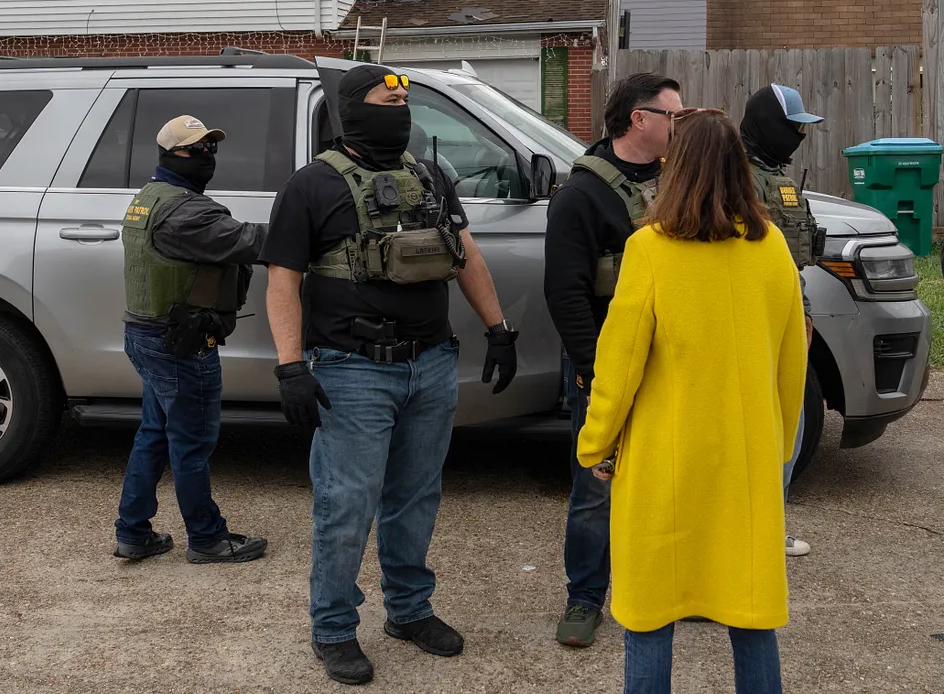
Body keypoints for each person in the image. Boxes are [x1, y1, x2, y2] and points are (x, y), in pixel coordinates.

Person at [262, 65, 518, 686]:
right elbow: (282, 280)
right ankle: (333, 628)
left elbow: (465, 254)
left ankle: (408, 610)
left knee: (416, 496)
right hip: (353, 371)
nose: (400, 110)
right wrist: (291, 365)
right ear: (353, 109)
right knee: (347, 503)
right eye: (387, 99)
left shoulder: (429, 178)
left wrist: (499, 328)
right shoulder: (311, 185)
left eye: (405, 101)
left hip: (430, 363)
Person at [578, 108, 806, 694]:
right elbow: (792, 363)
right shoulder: (772, 248)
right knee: (751, 615)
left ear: (673, 168)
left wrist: (596, 444)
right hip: (746, 462)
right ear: (739, 167)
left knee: (650, 617)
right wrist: (778, 446)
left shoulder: (650, 250)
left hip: (665, 465)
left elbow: (619, 366)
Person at [543, 72, 682, 649]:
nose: (680, 125)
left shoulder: (681, 183)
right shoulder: (582, 195)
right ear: (638, 120)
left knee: (672, 482)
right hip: (607, 366)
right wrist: (592, 371)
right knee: (596, 487)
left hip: (674, 364)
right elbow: (565, 292)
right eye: (673, 115)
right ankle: (585, 597)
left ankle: (675, 590)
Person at [114, 115, 269, 564]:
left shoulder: (149, 197)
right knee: (192, 442)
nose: (207, 156)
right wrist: (311, 224)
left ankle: (133, 532)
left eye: (210, 147)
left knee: (155, 433)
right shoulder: (188, 213)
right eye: (197, 149)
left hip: (146, 335)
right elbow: (253, 242)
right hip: (180, 343)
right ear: (171, 154)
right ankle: (207, 538)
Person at [740, 83, 825, 559]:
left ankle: (772, 524)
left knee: (790, 426)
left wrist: (804, 314)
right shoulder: (734, 178)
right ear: (770, 125)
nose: (799, 136)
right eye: (793, 127)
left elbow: (794, 262)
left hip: (791, 316)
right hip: (752, 326)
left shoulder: (779, 177)